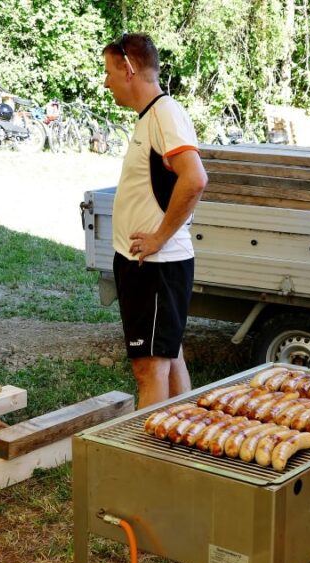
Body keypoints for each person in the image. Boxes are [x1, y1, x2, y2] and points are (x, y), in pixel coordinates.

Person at [102, 33, 208, 408]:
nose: (106, 82)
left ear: (129, 69)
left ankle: (150, 460)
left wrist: (160, 238)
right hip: (146, 266)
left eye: (109, 71)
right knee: (169, 358)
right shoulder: (151, 117)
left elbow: (194, 179)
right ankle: (185, 445)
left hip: (157, 267)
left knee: (150, 370)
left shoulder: (164, 113)